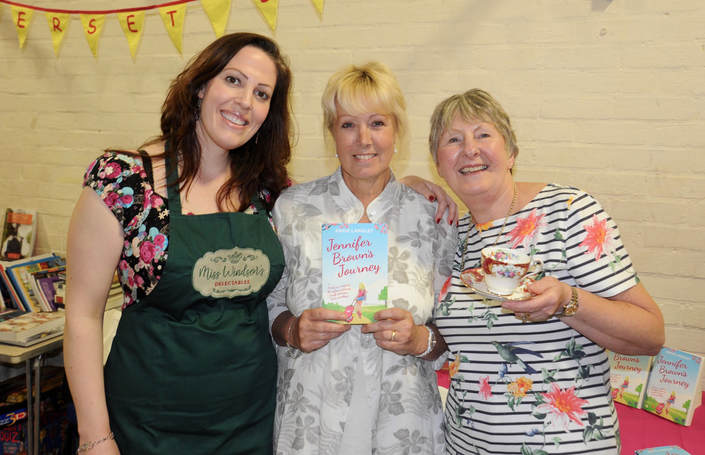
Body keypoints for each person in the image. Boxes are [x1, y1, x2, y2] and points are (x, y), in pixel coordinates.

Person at [64, 32, 293, 454]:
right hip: (146, 427)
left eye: (262, 93)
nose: (246, 101)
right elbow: (82, 314)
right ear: (202, 85)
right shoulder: (125, 180)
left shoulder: (269, 191)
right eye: (234, 80)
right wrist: (95, 438)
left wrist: (408, 187)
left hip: (249, 424)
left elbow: (338, 207)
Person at [429, 89, 665, 454]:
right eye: (453, 140)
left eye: (483, 134)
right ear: (439, 165)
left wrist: (568, 302)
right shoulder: (453, 236)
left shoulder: (568, 212)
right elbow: (458, 345)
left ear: (511, 153)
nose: (470, 149)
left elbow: (650, 334)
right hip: (467, 446)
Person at [268, 62, 456, 454]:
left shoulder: (431, 215)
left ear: (397, 131)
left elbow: (457, 328)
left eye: (377, 123)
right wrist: (293, 331)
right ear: (331, 134)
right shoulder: (293, 209)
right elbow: (268, 304)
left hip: (402, 422)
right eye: (348, 125)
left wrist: (420, 339)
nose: (363, 139)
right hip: (313, 418)